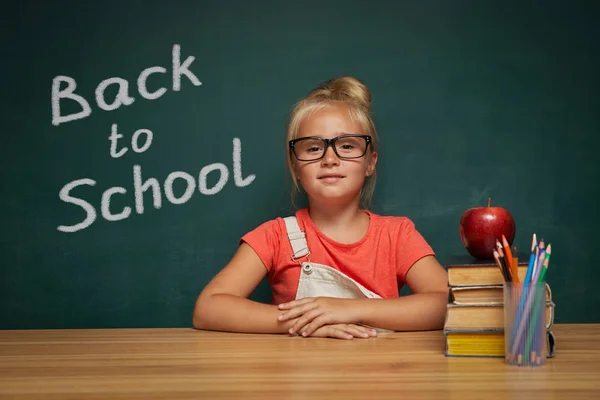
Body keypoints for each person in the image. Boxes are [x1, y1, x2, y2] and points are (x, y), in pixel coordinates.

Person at [193, 76, 448, 339]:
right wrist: (309, 321)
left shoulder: (397, 235)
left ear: (370, 163)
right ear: (295, 167)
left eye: (347, 146)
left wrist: (348, 309)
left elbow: (447, 303)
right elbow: (209, 308)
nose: (330, 159)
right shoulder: (275, 236)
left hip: (379, 377)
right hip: (299, 377)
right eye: (313, 148)